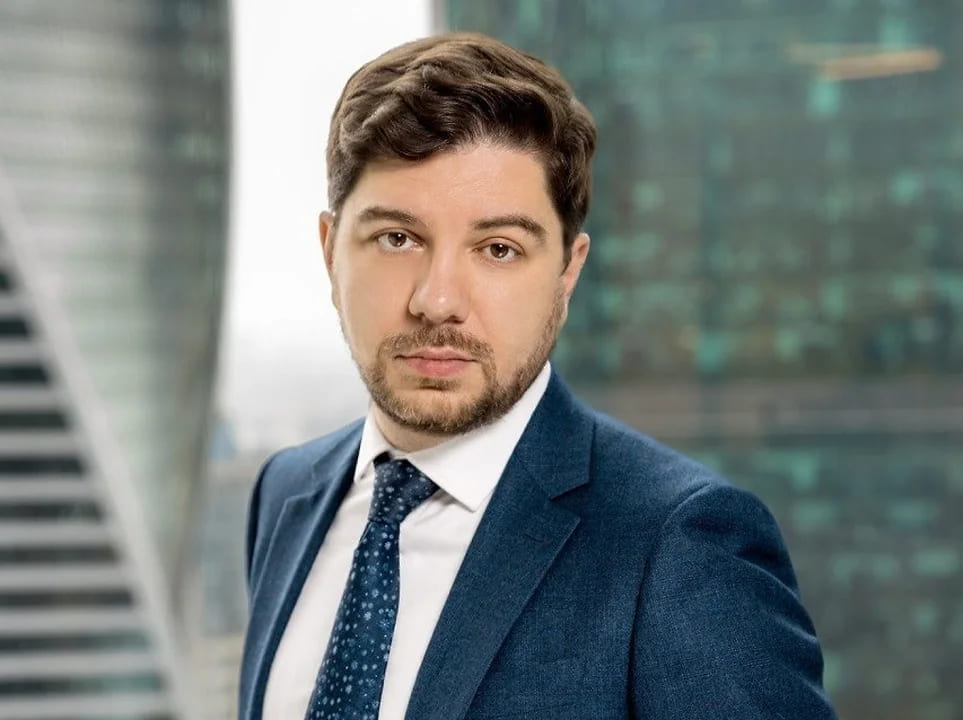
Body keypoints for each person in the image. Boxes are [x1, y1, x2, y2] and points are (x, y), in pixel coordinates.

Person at [239, 32, 837, 720]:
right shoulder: (286, 492)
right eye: (396, 238)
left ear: (567, 272)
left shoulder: (680, 545)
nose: (437, 300)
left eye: (498, 249)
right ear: (329, 251)